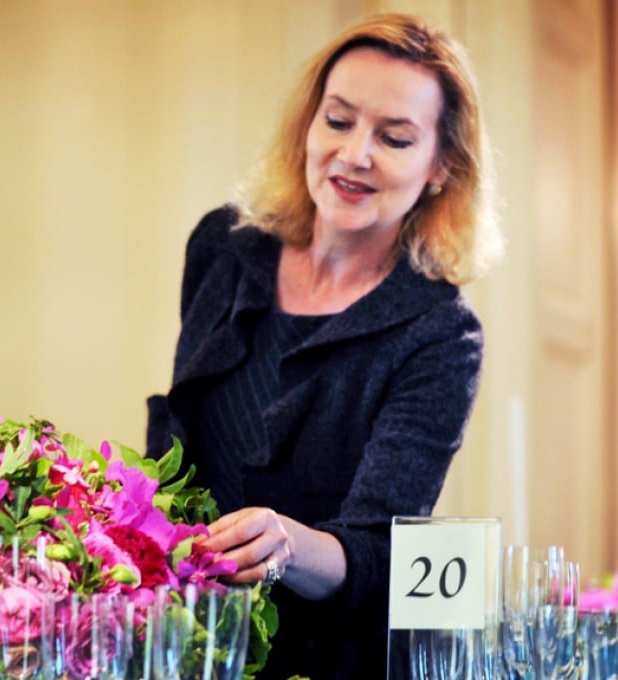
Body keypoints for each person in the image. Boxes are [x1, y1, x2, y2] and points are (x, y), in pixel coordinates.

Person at [145, 13, 503, 679]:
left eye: (394, 138)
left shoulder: (443, 333)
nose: (355, 153)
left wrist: (289, 545)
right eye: (338, 121)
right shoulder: (222, 249)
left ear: (439, 167)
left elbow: (380, 552)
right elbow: (181, 454)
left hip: (322, 661)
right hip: (184, 643)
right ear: (308, 125)